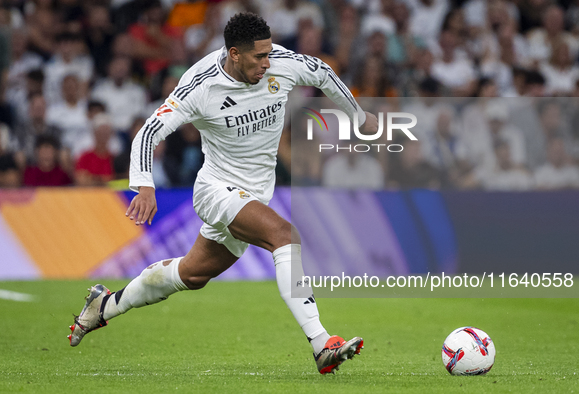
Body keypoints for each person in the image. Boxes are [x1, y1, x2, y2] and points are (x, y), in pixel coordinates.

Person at [68, 12, 378, 375]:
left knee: (191, 275)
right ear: (234, 54)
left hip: (255, 194)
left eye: (269, 53)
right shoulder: (200, 86)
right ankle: (321, 342)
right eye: (259, 57)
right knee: (284, 235)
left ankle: (103, 306)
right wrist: (145, 185)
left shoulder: (283, 63)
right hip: (216, 189)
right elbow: (148, 132)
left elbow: (323, 73)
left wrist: (357, 115)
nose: (268, 62)